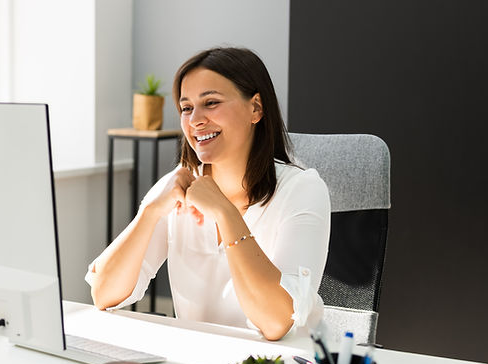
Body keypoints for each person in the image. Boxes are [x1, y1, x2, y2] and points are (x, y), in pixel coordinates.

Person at [85, 47, 330, 340]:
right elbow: (104, 294)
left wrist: (225, 213)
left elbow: (277, 321)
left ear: (255, 109)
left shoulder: (303, 190)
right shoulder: (177, 187)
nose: (195, 120)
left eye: (211, 103)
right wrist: (149, 212)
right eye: (186, 108)